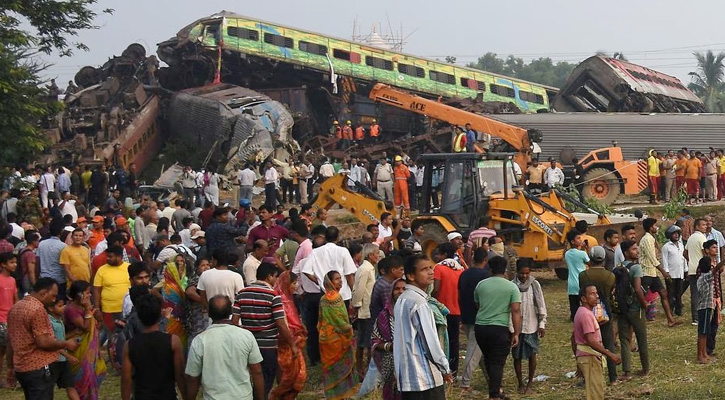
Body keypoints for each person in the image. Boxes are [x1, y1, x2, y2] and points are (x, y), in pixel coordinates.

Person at [8, 278, 79, 399]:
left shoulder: (16, 307)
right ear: (43, 293)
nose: (54, 299)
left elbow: (11, 340)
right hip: (38, 368)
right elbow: (43, 342)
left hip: (21, 367)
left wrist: (10, 366)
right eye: (53, 296)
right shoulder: (38, 309)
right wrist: (65, 344)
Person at [233, 263, 297, 397]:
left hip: (247, 344)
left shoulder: (241, 293)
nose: (276, 280)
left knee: (249, 378)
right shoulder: (273, 295)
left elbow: (234, 321)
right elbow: (280, 323)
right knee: (266, 378)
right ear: (269, 277)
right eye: (275, 277)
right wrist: (292, 344)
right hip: (267, 345)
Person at [394, 254, 452, 400]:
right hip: (424, 378)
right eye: (424, 269)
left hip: (407, 376)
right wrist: (444, 367)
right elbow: (430, 342)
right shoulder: (419, 302)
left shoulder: (402, 298)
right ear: (411, 276)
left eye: (431, 267)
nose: (431, 272)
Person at [187, 294, 264, 399]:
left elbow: (193, 378)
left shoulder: (200, 340)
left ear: (209, 313)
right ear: (231, 312)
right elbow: (257, 371)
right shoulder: (246, 336)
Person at [121, 294, 188, 400]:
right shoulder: (173, 341)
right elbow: (180, 375)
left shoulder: (129, 345)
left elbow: (126, 380)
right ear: (160, 314)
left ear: (139, 316)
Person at [473, 256, 521, 400]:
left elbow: (477, 305)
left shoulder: (481, 285)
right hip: (499, 328)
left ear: (490, 269)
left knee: (488, 359)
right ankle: (494, 395)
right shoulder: (512, 287)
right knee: (498, 362)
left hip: (481, 328)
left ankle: (496, 390)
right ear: (505, 269)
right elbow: (515, 311)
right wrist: (517, 333)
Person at [572, 285, 622, 400]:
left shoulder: (583, 312)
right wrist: (610, 354)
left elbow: (573, 337)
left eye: (596, 293)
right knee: (595, 393)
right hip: (589, 357)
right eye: (592, 294)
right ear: (583, 299)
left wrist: (578, 359)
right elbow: (590, 340)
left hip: (586, 356)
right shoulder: (586, 315)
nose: (597, 296)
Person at [578, 246, 618, 385]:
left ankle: (587, 377)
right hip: (605, 312)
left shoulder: (583, 275)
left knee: (588, 344)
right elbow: (611, 293)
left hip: (588, 311)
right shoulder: (610, 276)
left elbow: (581, 290)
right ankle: (613, 377)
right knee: (608, 343)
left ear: (590, 258)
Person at [318, 270, 359, 399]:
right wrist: (349, 329)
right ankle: (341, 394)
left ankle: (333, 394)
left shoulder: (323, 298)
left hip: (325, 339)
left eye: (340, 278)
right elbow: (340, 321)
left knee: (330, 368)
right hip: (337, 340)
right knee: (340, 366)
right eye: (336, 279)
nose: (340, 281)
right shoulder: (336, 298)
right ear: (330, 282)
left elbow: (320, 320)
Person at [64, 280, 106, 400]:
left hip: (90, 351)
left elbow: (96, 326)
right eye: (87, 293)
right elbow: (86, 327)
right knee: (81, 380)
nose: (90, 295)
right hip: (79, 350)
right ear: (79, 295)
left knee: (97, 373)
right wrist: (88, 309)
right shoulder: (71, 309)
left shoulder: (82, 307)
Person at [510, 259, 546, 395]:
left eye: (527, 273)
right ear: (517, 272)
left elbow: (541, 305)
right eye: (521, 273)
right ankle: (520, 382)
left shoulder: (534, 285)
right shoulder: (511, 285)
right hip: (516, 328)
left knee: (532, 355)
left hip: (532, 324)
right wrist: (511, 329)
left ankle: (530, 383)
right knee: (516, 356)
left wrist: (542, 324)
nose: (524, 276)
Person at [270, 272, 308, 400]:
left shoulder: (288, 298)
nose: (296, 286)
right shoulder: (280, 300)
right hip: (286, 343)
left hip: (292, 342)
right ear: (286, 284)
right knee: (289, 375)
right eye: (294, 283)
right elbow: (283, 324)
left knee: (296, 375)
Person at [458, 247, 490, 392]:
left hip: (466, 314)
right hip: (479, 317)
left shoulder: (464, 274)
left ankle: (491, 378)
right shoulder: (485, 276)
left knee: (481, 351)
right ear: (485, 260)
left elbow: (459, 295)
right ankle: (465, 384)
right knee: (473, 351)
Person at [616, 240, 649, 379]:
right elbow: (637, 288)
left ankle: (627, 371)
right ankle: (645, 368)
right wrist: (644, 304)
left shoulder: (618, 267)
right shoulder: (636, 268)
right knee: (641, 338)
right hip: (636, 308)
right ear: (626, 252)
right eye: (634, 249)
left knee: (624, 339)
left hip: (622, 308)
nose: (637, 251)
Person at [431, 242, 464, 377]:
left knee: (440, 341)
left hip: (441, 311)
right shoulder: (460, 269)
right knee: (454, 341)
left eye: (438, 253)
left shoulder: (438, 268)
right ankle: (453, 371)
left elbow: (436, 289)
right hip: (456, 310)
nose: (437, 256)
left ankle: (441, 370)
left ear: (444, 254)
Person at [639, 218, 679, 326]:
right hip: (646, 271)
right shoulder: (647, 239)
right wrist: (664, 272)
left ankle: (671, 320)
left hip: (652, 272)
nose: (657, 227)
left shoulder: (651, 238)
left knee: (663, 293)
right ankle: (638, 320)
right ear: (650, 227)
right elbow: (652, 258)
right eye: (655, 225)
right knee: (640, 297)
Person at [46, 297, 81, 400]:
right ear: (51, 308)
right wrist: (68, 356)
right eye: (60, 306)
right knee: (48, 389)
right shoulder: (48, 322)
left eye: (64, 305)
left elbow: (61, 338)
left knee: (71, 385)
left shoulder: (59, 319)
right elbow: (52, 343)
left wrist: (74, 335)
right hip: (53, 360)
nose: (64, 307)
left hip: (63, 360)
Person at [351, 243, 377, 377]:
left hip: (367, 309)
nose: (378, 256)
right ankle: (361, 369)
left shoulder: (369, 268)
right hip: (364, 310)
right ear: (371, 255)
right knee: (364, 341)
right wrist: (357, 306)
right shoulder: (366, 269)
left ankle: (364, 368)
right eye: (377, 253)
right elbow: (359, 290)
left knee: (366, 340)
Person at [92, 246, 131, 333]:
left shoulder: (129, 268)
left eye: (110, 257)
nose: (107, 259)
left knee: (126, 334)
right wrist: (97, 309)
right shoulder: (101, 270)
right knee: (111, 334)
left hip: (127, 309)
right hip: (108, 309)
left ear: (120, 257)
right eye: (107, 256)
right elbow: (96, 290)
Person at [162, 253, 189, 348]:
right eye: (177, 263)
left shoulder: (185, 280)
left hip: (183, 320)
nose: (180, 265)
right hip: (175, 319)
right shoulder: (169, 287)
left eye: (182, 262)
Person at [0, 253, 19, 388]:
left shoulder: (12, 280)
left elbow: (15, 299)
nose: (15, 265)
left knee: (11, 351)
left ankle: (10, 378)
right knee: (3, 351)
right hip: (1, 320)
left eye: (15, 262)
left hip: (11, 319)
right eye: (11, 262)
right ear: (3, 264)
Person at [37, 219, 68, 299]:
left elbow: (38, 262)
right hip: (59, 280)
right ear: (61, 231)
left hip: (44, 278)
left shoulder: (41, 244)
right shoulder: (63, 246)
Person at [686, 218, 708, 324]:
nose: (705, 226)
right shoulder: (701, 238)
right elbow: (706, 253)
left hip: (692, 268)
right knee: (702, 293)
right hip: (700, 269)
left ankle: (695, 318)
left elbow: (684, 253)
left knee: (694, 293)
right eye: (703, 225)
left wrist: (691, 260)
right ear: (697, 226)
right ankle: (700, 316)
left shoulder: (691, 238)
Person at [662, 225, 686, 317]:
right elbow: (664, 260)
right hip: (671, 273)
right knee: (670, 293)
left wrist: (685, 270)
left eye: (677, 234)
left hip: (680, 273)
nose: (676, 235)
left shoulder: (681, 245)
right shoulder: (666, 247)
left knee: (679, 292)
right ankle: (670, 310)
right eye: (674, 234)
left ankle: (678, 310)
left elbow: (683, 258)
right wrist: (666, 272)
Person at [565, 230, 590, 321]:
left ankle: (574, 318)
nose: (581, 240)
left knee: (573, 304)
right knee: (585, 302)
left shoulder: (567, 254)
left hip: (571, 282)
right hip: (581, 281)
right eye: (578, 238)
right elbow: (590, 263)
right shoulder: (582, 253)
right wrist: (586, 249)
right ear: (572, 241)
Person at [185, 258, 210, 343]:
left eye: (207, 265)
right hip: (197, 313)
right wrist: (204, 302)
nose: (206, 267)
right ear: (197, 268)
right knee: (196, 337)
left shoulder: (208, 277)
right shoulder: (196, 278)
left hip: (205, 313)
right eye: (203, 265)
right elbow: (189, 292)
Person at [696, 256, 715, 364]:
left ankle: (704, 354)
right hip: (704, 308)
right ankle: (700, 355)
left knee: (704, 332)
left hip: (706, 308)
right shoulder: (706, 277)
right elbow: (716, 270)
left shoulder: (703, 277)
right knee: (702, 333)